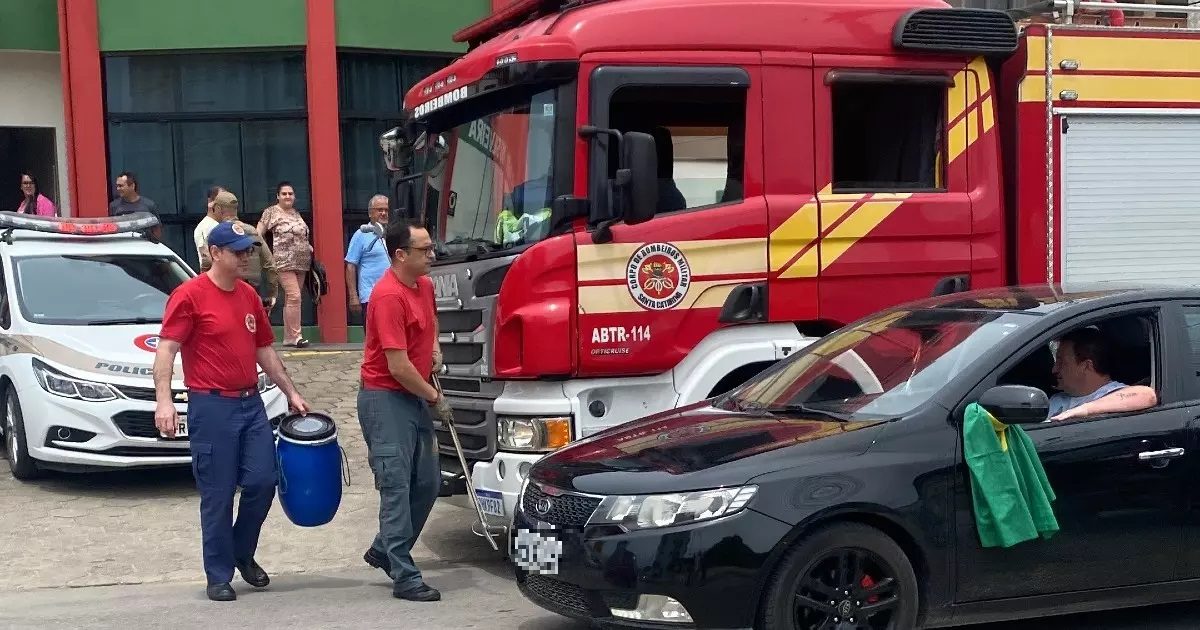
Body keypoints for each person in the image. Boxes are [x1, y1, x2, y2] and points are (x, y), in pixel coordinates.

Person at [152, 221, 311, 602]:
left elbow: (264, 350)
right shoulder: (188, 295)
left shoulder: (248, 296)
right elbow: (166, 350)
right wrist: (164, 400)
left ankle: (241, 550)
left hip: (250, 402)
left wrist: (291, 392)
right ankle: (218, 573)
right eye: (237, 251)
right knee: (218, 493)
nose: (245, 257)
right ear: (214, 252)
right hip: (211, 405)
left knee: (262, 481)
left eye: (247, 250)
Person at [357, 220, 442, 602]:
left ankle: (383, 547)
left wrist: (435, 349)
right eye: (423, 250)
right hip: (386, 398)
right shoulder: (388, 295)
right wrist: (434, 397)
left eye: (430, 247)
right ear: (400, 255)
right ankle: (403, 574)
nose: (431, 255)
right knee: (396, 486)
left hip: (413, 395)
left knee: (427, 482)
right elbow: (398, 366)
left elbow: (431, 324)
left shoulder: (423, 285)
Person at [1048, 327, 1157, 421]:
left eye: (1061, 362)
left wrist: (1084, 409)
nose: (1054, 369)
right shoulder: (1056, 399)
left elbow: (1147, 395)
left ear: (1086, 366)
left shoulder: (1112, 394)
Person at [201, 191, 280, 310]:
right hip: (253, 290)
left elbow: (206, 262)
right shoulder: (252, 231)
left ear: (218, 208)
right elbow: (270, 264)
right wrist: (272, 294)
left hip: (225, 290)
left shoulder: (216, 234)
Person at [256, 181, 311, 348]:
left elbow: (301, 235)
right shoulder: (271, 212)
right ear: (278, 196)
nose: (288, 196)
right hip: (283, 262)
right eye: (284, 194)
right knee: (295, 296)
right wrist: (264, 253)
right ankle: (296, 336)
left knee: (291, 299)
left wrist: (308, 246)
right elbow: (258, 233)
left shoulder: (296, 213)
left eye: (290, 194)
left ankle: (288, 337)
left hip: (302, 263)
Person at [345, 194, 391, 329]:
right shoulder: (361, 234)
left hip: (393, 294)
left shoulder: (394, 232)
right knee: (374, 338)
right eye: (379, 210)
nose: (383, 213)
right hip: (371, 296)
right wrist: (353, 296)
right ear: (370, 213)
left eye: (386, 210)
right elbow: (350, 265)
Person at [110, 171, 162, 240]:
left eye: (121, 186)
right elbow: (112, 229)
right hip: (122, 245)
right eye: (117, 186)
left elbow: (157, 230)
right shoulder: (114, 206)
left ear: (132, 186)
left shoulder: (149, 205)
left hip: (144, 246)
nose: (118, 189)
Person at [194, 186, 226, 263]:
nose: (225, 206)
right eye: (222, 201)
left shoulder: (205, 225)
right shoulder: (211, 226)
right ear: (211, 202)